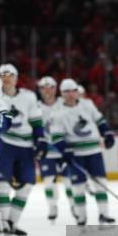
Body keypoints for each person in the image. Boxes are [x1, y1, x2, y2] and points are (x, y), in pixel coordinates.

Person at [49, 78, 115, 225]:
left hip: (94, 152)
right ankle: (81, 217)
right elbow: (56, 137)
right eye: (67, 91)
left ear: (77, 92)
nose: (71, 94)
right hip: (76, 154)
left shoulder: (87, 105)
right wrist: (65, 151)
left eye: (73, 90)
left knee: (101, 183)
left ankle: (104, 214)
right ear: (62, 94)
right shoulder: (58, 113)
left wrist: (108, 133)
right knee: (78, 187)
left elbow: (100, 121)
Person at [0, 63, 46, 236]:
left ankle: (12, 223)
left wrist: (41, 139)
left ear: (16, 78)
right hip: (4, 143)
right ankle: (4, 224)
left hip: (26, 146)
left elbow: (36, 122)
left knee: (27, 184)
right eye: (3, 74)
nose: (6, 77)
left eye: (10, 74)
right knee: (1, 183)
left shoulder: (29, 97)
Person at [36, 76, 73, 222]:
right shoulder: (36, 107)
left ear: (55, 88)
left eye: (50, 87)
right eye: (44, 87)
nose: (47, 90)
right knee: (48, 181)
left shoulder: (63, 104)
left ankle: (74, 206)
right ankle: (52, 206)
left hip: (63, 149)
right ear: (40, 89)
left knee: (68, 181)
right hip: (46, 151)